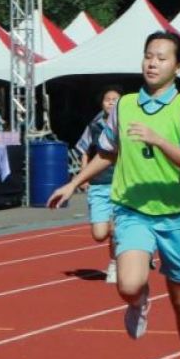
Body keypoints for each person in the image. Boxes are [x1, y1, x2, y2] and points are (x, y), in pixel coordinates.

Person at [47, 31, 180, 359]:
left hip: (178, 214)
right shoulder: (123, 105)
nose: (152, 63)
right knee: (127, 284)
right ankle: (138, 301)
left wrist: (160, 140)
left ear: (178, 66)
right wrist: (73, 182)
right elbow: (107, 153)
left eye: (161, 57)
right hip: (133, 209)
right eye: (148, 56)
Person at [73, 86, 122, 282]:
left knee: (116, 228)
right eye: (107, 99)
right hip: (99, 184)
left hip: (120, 184)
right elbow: (84, 150)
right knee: (100, 233)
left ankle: (115, 263)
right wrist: (83, 175)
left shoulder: (126, 123)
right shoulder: (94, 125)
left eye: (115, 99)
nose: (110, 102)